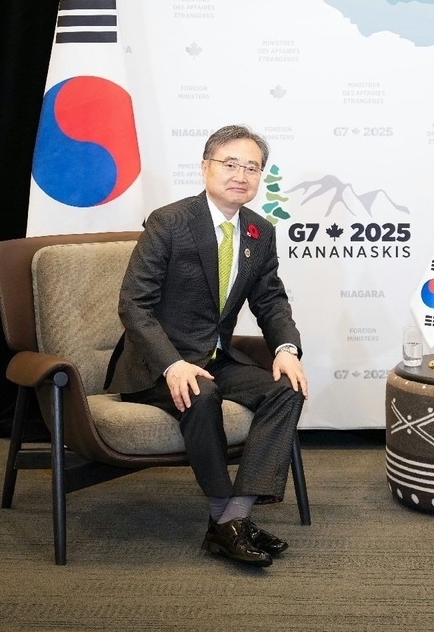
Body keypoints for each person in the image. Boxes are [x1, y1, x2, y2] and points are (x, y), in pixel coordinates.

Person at [106, 124, 308, 568]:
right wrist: (172, 364)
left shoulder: (259, 231)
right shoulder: (170, 222)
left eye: (251, 167)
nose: (241, 174)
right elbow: (133, 305)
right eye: (230, 163)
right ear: (205, 167)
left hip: (216, 358)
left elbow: (271, 300)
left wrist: (286, 350)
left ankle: (233, 517)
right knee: (203, 391)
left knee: (287, 389)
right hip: (158, 366)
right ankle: (226, 519)